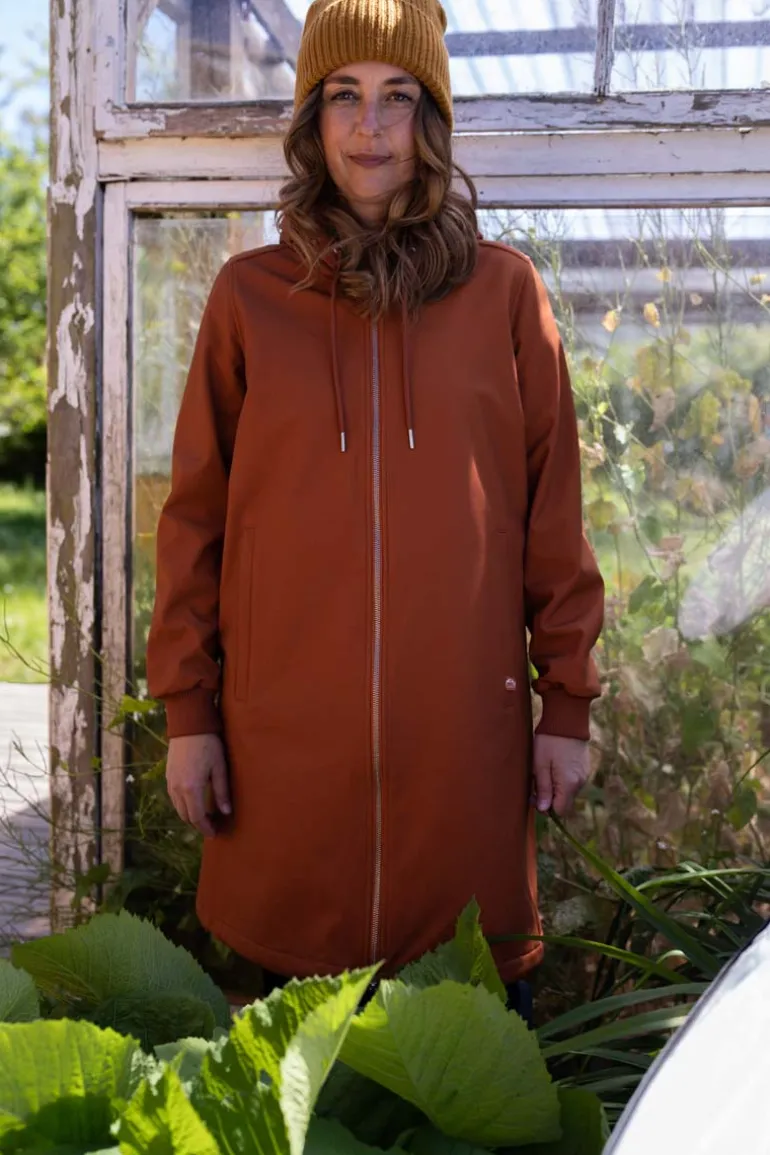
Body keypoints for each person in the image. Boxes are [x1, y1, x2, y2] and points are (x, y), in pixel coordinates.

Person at [146, 0, 604, 1011]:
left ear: (430, 120)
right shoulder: (247, 298)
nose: (369, 126)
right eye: (344, 95)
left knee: (464, 1054)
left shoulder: (505, 296)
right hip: (282, 752)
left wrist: (565, 703)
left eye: (398, 96)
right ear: (311, 118)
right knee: (296, 1070)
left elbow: (553, 519)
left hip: (463, 755)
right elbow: (194, 522)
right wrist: (189, 712)